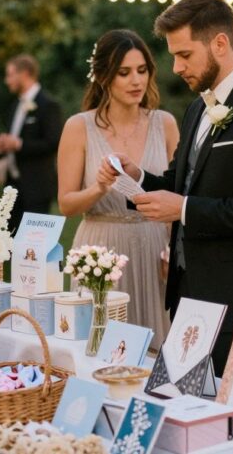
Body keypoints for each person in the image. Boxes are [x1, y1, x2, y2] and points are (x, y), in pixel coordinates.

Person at [107, 0, 233, 375]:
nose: (176, 67)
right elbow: (182, 181)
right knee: (186, 418)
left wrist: (181, 210)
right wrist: (137, 177)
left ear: (220, 43)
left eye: (184, 55)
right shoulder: (199, 106)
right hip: (188, 294)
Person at [58, 30, 178, 349]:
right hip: (101, 252)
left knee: (156, 349)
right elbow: (66, 204)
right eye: (124, 73)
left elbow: (177, 192)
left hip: (154, 251)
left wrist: (173, 249)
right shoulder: (78, 127)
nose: (135, 81)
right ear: (102, 77)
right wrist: (99, 186)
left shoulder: (164, 124)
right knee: (101, 347)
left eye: (142, 70)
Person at [0, 54, 63, 217]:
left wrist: (19, 145)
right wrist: (3, 143)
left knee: (34, 241)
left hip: (36, 187)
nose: (6, 80)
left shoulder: (48, 105)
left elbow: (53, 143)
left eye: (10, 75)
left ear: (24, 74)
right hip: (12, 187)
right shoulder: (16, 104)